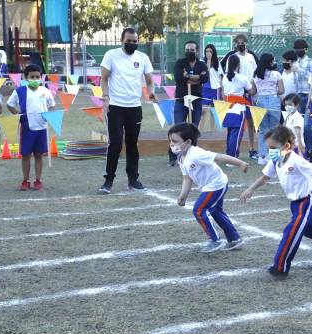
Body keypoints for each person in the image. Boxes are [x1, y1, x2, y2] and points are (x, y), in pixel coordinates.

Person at [240, 125, 312, 278]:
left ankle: (280, 267)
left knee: (292, 230)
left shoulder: (296, 160)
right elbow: (265, 177)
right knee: (311, 228)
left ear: (286, 146)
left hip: (306, 201)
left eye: (273, 147)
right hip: (294, 204)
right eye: (268, 147)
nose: (270, 151)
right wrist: (251, 188)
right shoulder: (275, 161)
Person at [170, 123, 246, 253]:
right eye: (170, 141)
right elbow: (187, 178)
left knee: (199, 210)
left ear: (188, 142)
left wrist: (240, 163)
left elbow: (220, 157)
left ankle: (215, 241)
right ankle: (234, 239)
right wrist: (183, 196)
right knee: (216, 211)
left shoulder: (197, 153)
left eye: (175, 141)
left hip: (216, 185)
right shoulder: (181, 158)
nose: (171, 144)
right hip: (209, 186)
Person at [98, 28, 157, 194]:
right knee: (115, 143)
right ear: (122, 40)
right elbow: (104, 78)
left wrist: (151, 92)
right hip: (116, 106)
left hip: (134, 107)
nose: (132, 44)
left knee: (132, 144)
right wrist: (106, 96)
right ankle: (108, 181)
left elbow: (150, 81)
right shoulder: (111, 55)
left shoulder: (143, 58)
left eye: (134, 41)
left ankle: (133, 180)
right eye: (128, 41)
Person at [7, 64, 55, 191]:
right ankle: (25, 180)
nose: (35, 79)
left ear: (41, 77)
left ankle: (38, 180)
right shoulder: (19, 91)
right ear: (26, 77)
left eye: (37, 77)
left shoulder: (45, 91)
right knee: (26, 155)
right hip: (27, 128)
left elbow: (52, 105)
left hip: (42, 128)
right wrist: (17, 114)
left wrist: (49, 115)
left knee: (39, 155)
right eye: (32, 77)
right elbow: (10, 104)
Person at [169, 40, 209, 166]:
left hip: (196, 100)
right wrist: (197, 78)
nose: (189, 52)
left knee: (193, 128)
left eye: (192, 50)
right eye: (187, 50)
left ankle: (192, 156)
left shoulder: (202, 64)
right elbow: (179, 78)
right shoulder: (180, 63)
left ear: (196, 51)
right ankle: (173, 156)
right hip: (181, 99)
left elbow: (205, 78)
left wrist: (189, 77)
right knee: (178, 128)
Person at [220, 34, 259, 159]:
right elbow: (228, 74)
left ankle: (252, 148)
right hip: (239, 93)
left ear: (246, 43)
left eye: (243, 42)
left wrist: (252, 86)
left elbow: (255, 73)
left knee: (251, 122)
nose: (241, 44)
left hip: (247, 92)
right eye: (238, 42)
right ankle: (233, 152)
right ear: (235, 44)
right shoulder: (232, 57)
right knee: (235, 125)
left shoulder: (251, 57)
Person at [253, 53, 284, 165]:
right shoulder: (276, 74)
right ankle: (273, 157)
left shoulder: (256, 74)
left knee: (262, 130)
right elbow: (281, 90)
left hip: (260, 101)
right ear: (270, 62)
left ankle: (262, 156)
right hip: (273, 101)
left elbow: (253, 91)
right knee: (274, 130)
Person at [294, 39, 312, 161]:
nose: (298, 51)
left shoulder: (311, 62)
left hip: (308, 95)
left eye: (300, 49)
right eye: (296, 49)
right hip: (298, 96)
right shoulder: (295, 62)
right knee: (299, 125)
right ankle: (303, 151)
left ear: (305, 49)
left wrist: (299, 70)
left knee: (307, 125)